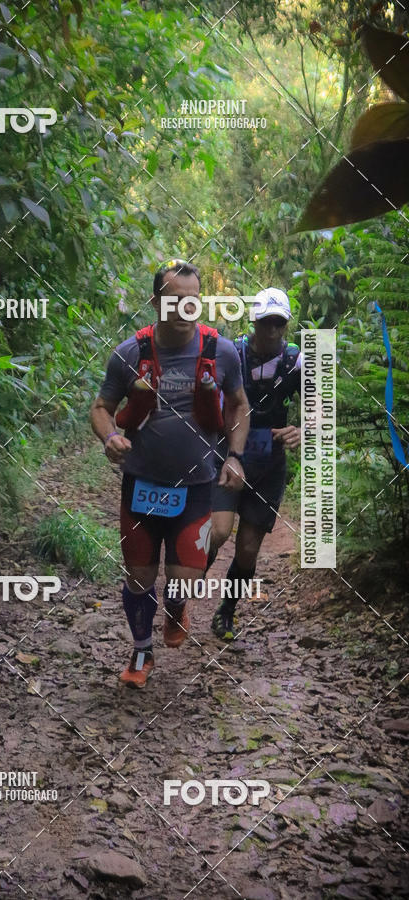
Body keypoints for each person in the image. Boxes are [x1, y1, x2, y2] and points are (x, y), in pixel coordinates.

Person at [90, 260, 250, 688]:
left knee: (184, 583)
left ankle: (177, 607)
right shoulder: (130, 354)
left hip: (196, 487)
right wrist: (109, 439)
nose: (185, 308)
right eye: (175, 300)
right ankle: (141, 652)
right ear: (156, 302)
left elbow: (237, 405)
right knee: (139, 578)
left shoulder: (222, 352)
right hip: (140, 484)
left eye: (193, 300)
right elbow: (101, 409)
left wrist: (235, 456)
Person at [208, 288, 302, 641]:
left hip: (269, 465)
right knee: (217, 532)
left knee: (248, 548)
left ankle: (226, 615)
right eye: (267, 323)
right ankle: (183, 596)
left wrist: (302, 428)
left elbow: (321, 405)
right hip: (228, 456)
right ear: (254, 322)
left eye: (279, 324)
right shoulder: (230, 354)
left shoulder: (296, 361)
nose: (273, 331)